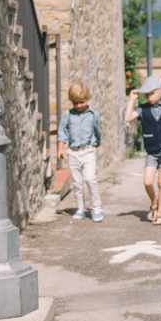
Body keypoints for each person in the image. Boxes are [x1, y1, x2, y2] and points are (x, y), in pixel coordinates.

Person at [124, 75, 161, 226]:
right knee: (147, 182)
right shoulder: (142, 110)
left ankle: (160, 214)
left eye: (152, 93)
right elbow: (127, 117)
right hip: (152, 150)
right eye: (146, 94)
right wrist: (132, 100)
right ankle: (154, 202)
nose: (149, 96)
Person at [57, 81, 103, 221]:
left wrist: (99, 140)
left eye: (81, 102)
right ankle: (80, 208)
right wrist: (60, 149)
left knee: (90, 178)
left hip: (88, 151)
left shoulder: (93, 114)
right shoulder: (68, 115)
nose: (79, 106)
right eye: (75, 103)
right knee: (77, 181)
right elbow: (62, 132)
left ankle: (96, 207)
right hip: (73, 152)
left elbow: (97, 129)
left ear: (87, 99)